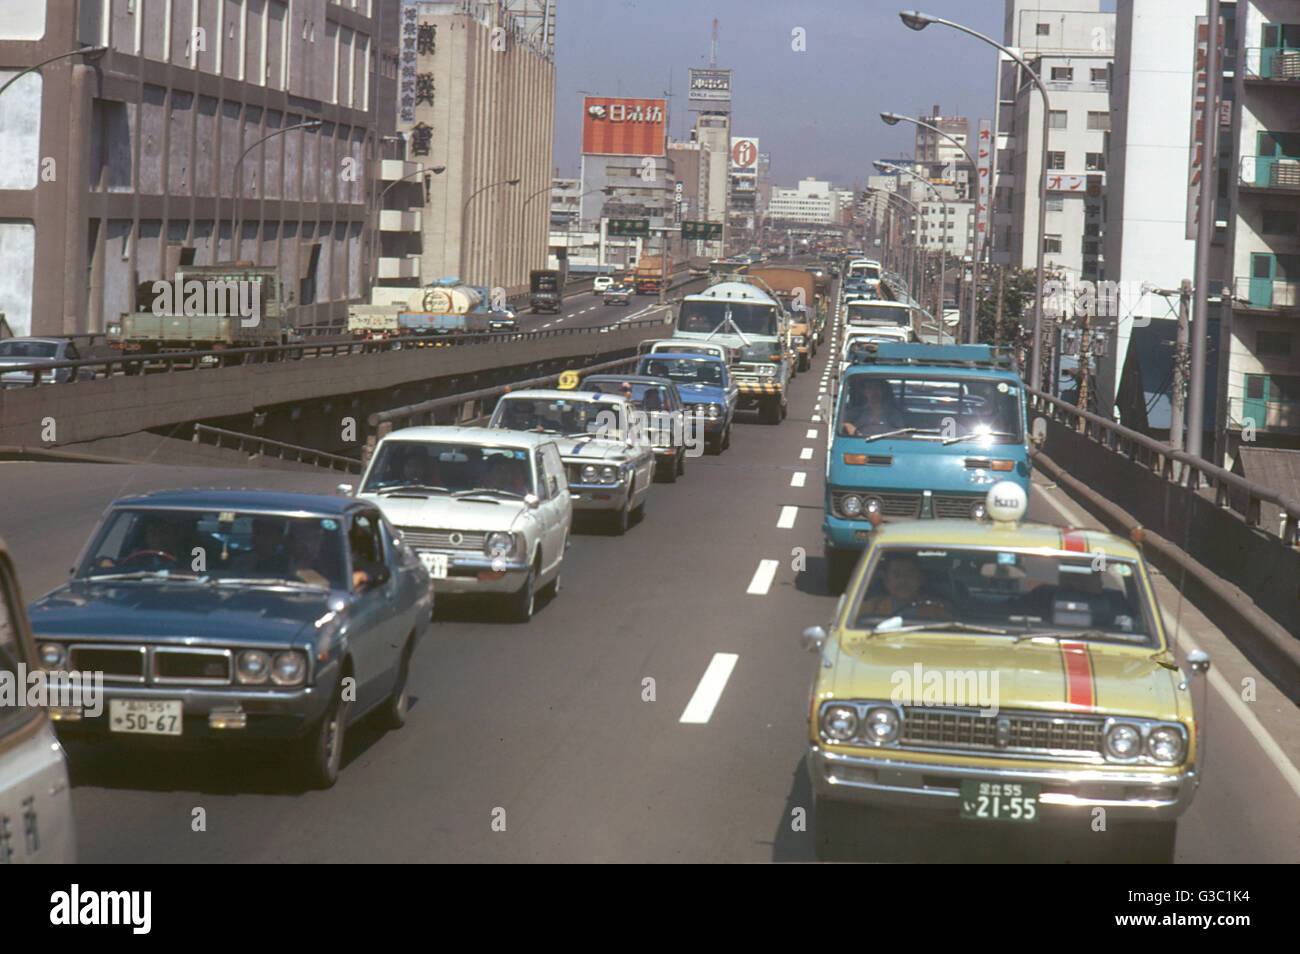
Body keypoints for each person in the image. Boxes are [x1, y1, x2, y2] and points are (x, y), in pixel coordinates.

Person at [859, 555, 951, 619]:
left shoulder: (938, 610)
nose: (902, 581)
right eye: (896, 575)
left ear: (920, 579)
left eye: (909, 575)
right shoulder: (870, 609)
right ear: (886, 581)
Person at [840, 377, 905, 437]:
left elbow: (902, 434)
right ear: (864, 392)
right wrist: (848, 426)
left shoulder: (893, 414)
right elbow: (840, 424)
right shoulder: (855, 412)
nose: (874, 392)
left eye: (877, 388)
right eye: (870, 388)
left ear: (883, 391)